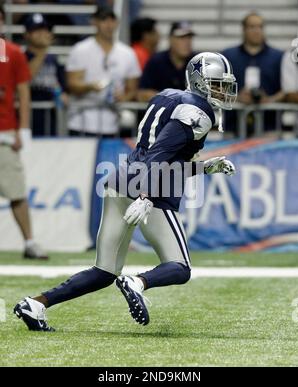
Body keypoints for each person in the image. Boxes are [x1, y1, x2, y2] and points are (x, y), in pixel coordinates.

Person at [14, 51, 237, 331]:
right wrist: (145, 195)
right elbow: (159, 155)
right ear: (200, 81)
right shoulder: (198, 112)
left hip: (121, 179)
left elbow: (162, 155)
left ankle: (36, 304)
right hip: (150, 189)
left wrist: (204, 168)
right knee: (180, 268)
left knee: (103, 271)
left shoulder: (168, 95)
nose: (222, 91)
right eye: (217, 83)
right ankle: (137, 282)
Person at [0, 6, 48, 260]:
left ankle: (29, 241)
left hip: (4, 129)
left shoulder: (12, 53)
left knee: (16, 191)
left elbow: (23, 91)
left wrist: (24, 128)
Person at [66, 6, 141, 137]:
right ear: (94, 22)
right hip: (82, 122)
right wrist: (90, 86)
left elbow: (132, 88)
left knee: (111, 158)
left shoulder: (127, 53)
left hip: (114, 124)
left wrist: (123, 97)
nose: (108, 25)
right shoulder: (80, 50)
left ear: (117, 23)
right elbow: (72, 85)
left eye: (112, 20)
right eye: (104, 20)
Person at [222, 12, 284, 133]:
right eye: (252, 27)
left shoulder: (278, 57)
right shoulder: (228, 56)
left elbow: (286, 90)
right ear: (243, 29)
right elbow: (216, 89)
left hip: (269, 127)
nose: (257, 31)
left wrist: (269, 100)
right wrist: (237, 98)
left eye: (260, 27)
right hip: (233, 127)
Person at [24, 13, 67, 136]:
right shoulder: (21, 57)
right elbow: (27, 77)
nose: (43, 33)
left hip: (50, 120)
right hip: (28, 119)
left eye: (45, 29)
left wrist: (63, 94)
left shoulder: (54, 60)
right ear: (27, 35)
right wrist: (43, 50)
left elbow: (62, 87)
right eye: (37, 30)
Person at [138, 21, 195, 102]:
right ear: (170, 39)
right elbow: (142, 93)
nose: (187, 42)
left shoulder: (197, 62)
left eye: (189, 38)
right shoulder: (156, 61)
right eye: (181, 38)